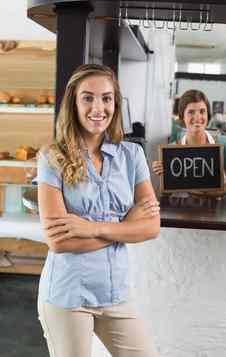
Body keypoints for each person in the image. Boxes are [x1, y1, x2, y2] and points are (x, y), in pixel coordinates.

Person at [37, 64, 160, 357]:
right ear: (74, 103)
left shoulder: (133, 155)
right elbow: (59, 241)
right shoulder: (52, 157)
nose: (98, 107)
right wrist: (126, 227)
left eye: (106, 98)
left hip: (115, 293)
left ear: (115, 104)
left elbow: (151, 227)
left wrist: (91, 227)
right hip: (67, 296)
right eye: (88, 98)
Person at [152, 89, 226, 198]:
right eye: (191, 112)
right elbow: (165, 193)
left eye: (202, 111)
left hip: (216, 210)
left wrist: (210, 194)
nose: (197, 117)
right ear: (182, 116)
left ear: (208, 115)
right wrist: (163, 174)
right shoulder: (171, 150)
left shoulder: (225, 144)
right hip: (183, 211)